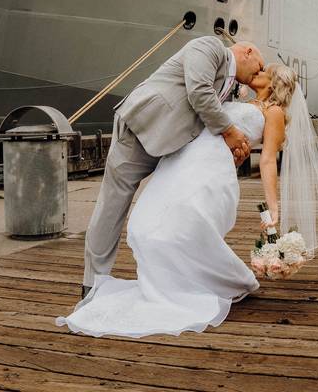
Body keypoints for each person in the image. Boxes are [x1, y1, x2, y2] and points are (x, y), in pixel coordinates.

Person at [59, 63, 318, 337]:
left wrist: (273, 207)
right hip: (181, 161)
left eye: (264, 71)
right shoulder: (236, 98)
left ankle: (204, 282)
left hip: (210, 171)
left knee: (186, 225)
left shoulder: (274, 112)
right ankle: (171, 282)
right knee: (143, 224)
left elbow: (267, 161)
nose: (257, 71)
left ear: (275, 82)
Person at [81, 36, 263, 299]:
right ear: (247, 52)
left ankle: (171, 277)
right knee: (111, 209)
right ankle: (92, 285)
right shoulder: (209, 47)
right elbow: (199, 91)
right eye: (258, 67)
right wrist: (230, 131)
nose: (258, 75)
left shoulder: (230, 82)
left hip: (173, 146)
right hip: (140, 131)